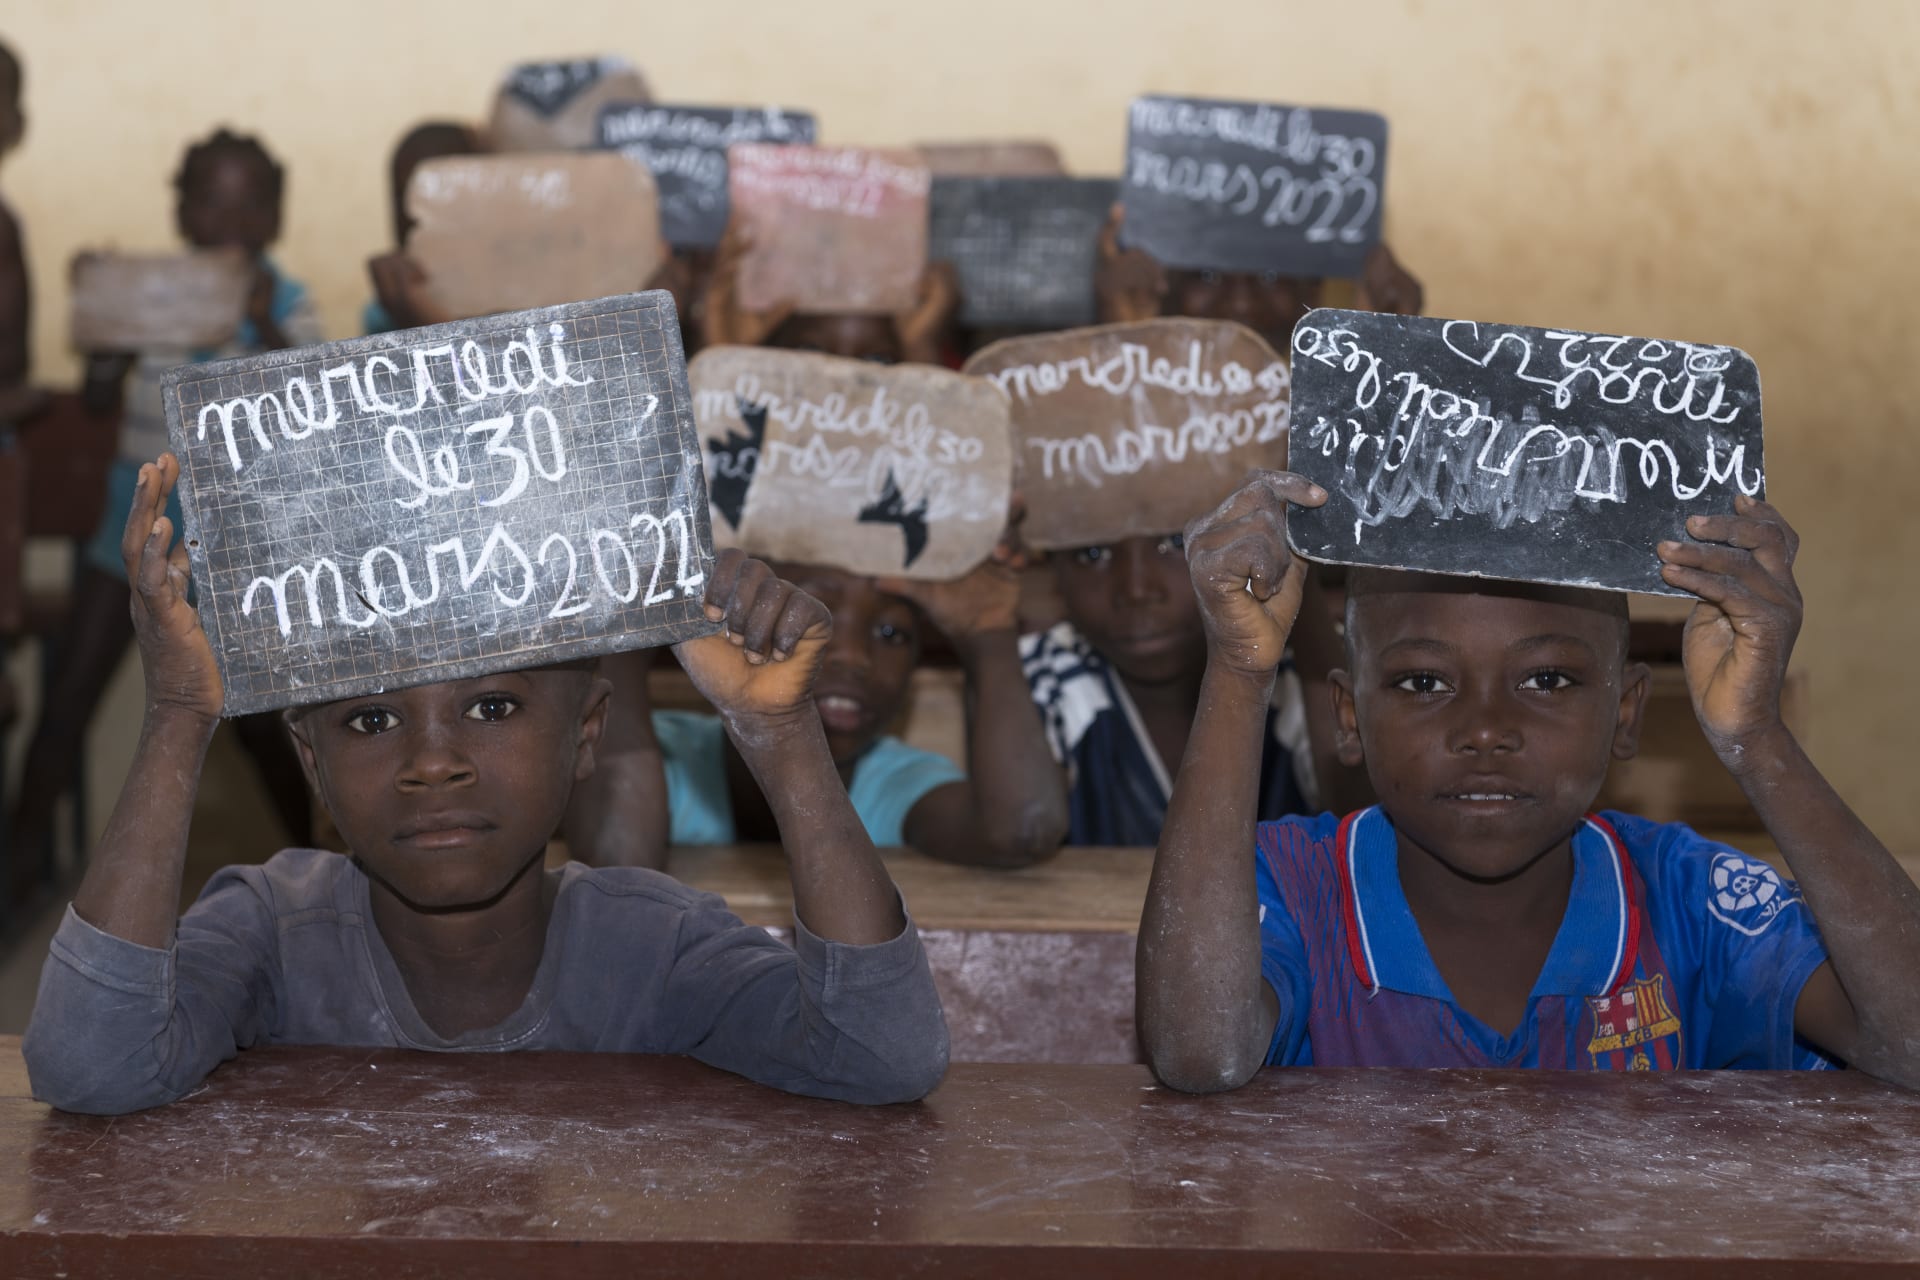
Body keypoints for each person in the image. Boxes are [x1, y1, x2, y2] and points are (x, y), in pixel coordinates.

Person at [23, 455, 949, 1114]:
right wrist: (180, 711)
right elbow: (91, 1067)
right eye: (372, 721)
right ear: (310, 759)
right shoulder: (274, 930)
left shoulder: (652, 948)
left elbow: (881, 1056)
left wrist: (781, 735)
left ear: (586, 734)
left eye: (494, 707)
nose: (434, 762)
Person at [1136, 472, 1920, 1088]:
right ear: (1348, 717)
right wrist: (1239, 669)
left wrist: (1755, 735)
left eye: (1546, 680)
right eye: (1422, 683)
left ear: (1625, 712)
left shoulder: (1685, 899)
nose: (1485, 730)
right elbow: (1201, 1054)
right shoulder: (1291, 885)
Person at [7, 128, 323, 896]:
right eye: (211, 202)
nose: (231, 223)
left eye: (250, 206)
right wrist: (106, 344)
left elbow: (309, 400)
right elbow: (97, 401)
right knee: (69, 697)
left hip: (236, 535)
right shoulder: (148, 298)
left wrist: (264, 322)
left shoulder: (285, 301)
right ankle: (16, 871)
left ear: (277, 217)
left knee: (258, 722)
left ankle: (327, 872)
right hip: (130, 525)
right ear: (181, 212)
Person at [569, 538, 1068, 870]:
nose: (854, 658)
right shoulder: (667, 756)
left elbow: (1021, 831)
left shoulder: (896, 780)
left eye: (891, 633)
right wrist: (634, 626)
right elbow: (616, 864)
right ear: (728, 621)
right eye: (805, 613)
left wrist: (988, 636)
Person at [364, 121, 482, 334]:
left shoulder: (516, 291)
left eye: (440, 198)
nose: (414, 216)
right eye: (403, 197)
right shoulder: (385, 310)